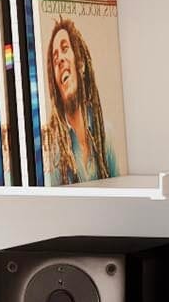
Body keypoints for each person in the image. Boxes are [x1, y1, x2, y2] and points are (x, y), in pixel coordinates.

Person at [41, 16, 119, 183]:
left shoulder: (106, 134)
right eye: (55, 59)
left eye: (65, 48)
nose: (60, 59)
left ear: (81, 64)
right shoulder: (52, 150)